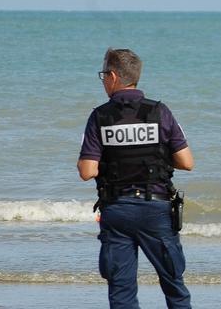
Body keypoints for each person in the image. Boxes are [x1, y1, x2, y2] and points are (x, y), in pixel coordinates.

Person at [77, 48, 193, 308]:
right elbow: (187, 162)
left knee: (121, 291)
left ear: (114, 76)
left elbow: (87, 171)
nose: (103, 81)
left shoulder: (100, 116)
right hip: (157, 209)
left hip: (117, 211)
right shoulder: (160, 112)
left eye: (103, 75)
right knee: (174, 285)